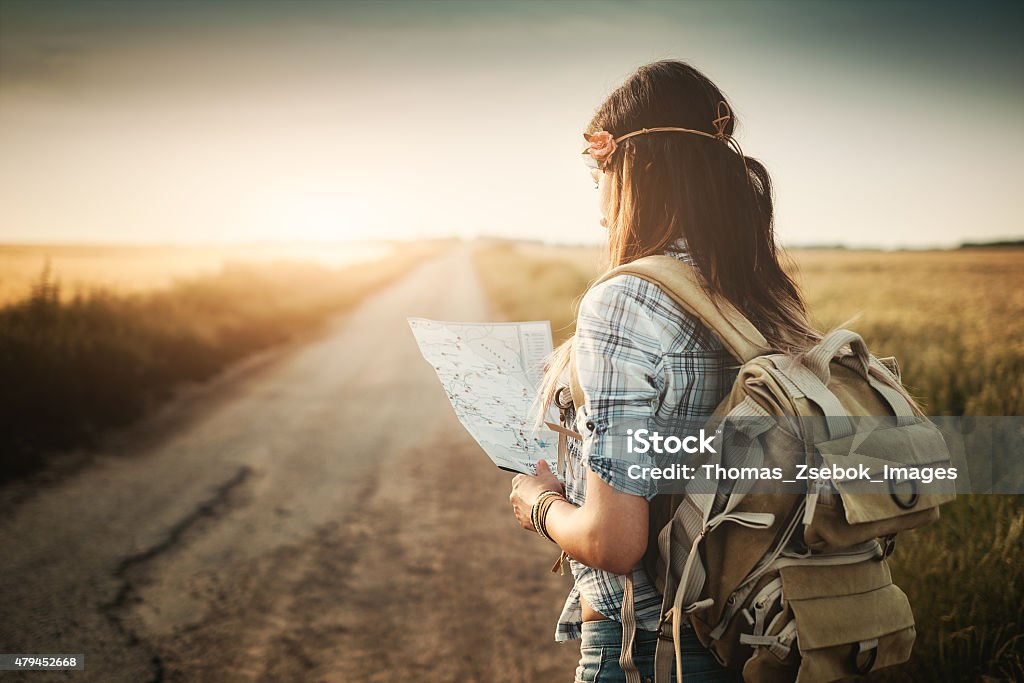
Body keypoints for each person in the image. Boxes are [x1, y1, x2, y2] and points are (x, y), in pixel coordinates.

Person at [508, 60, 820, 683]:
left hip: (653, 650)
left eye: (599, 174)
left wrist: (537, 502)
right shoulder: (767, 297)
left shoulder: (625, 301)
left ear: (632, 172)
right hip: (762, 643)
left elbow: (615, 543)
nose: (599, 206)